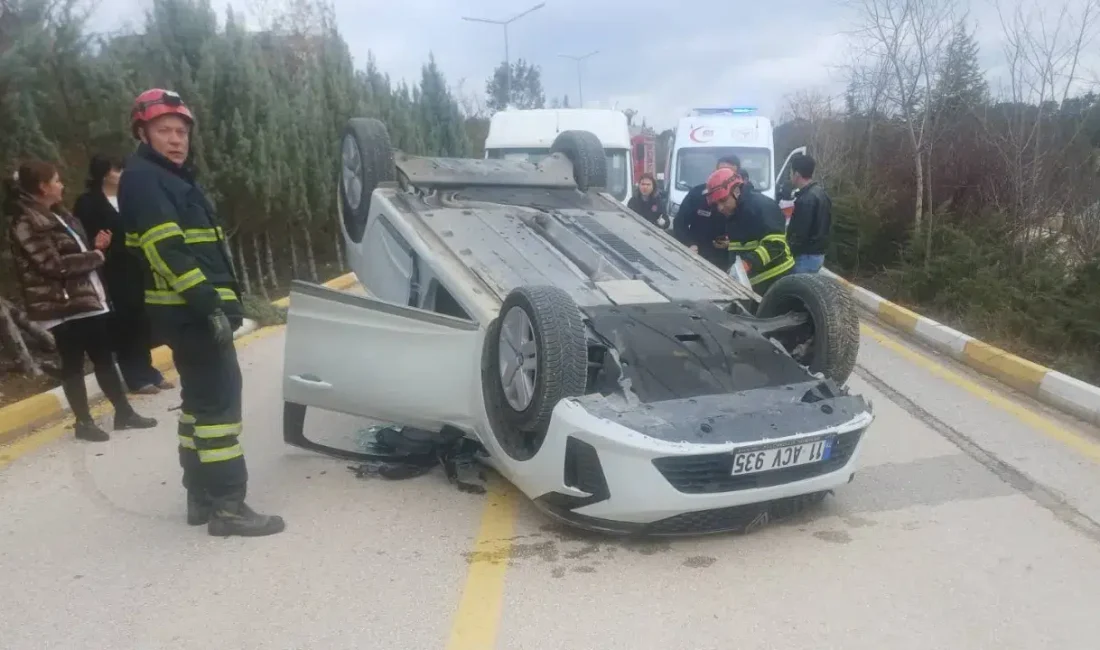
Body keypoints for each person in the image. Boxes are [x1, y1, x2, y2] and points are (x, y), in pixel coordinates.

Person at [118, 87, 284, 537]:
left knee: (197, 407)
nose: (176, 139)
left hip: (184, 313)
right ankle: (228, 506)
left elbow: (201, 251)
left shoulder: (169, 178)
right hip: (191, 313)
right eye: (164, 131)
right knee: (219, 410)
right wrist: (211, 305)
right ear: (142, 132)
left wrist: (235, 298)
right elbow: (166, 250)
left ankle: (200, 496)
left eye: (181, 131)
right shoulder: (146, 179)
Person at [4, 161, 158, 442]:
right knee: (73, 363)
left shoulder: (59, 215)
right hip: (61, 305)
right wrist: (96, 256)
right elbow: (51, 265)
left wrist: (95, 247)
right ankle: (83, 422)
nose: (62, 185)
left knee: (103, 358)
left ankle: (124, 413)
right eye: (56, 180)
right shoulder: (26, 222)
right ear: (42, 187)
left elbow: (73, 255)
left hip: (85, 298)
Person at [74, 154, 174, 395]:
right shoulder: (88, 203)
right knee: (125, 323)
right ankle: (134, 377)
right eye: (117, 169)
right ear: (104, 173)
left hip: (139, 265)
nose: (122, 173)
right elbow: (82, 237)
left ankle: (148, 370)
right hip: (112, 271)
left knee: (142, 320)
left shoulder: (127, 197)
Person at [704, 167, 794, 295]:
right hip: (752, 285)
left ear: (736, 191)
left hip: (776, 281)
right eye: (716, 203)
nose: (720, 208)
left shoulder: (762, 206)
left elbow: (775, 245)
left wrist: (747, 264)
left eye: (723, 200)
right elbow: (747, 241)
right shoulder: (734, 212)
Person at [672, 156, 742, 270]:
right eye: (720, 171)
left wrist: (732, 243)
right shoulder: (697, 194)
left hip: (727, 261)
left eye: (729, 174)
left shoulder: (741, 201)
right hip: (697, 256)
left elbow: (749, 234)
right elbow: (679, 223)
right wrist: (689, 244)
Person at [787, 153, 832, 274]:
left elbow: (800, 234)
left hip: (805, 256)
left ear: (797, 175)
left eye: (790, 172)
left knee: (795, 290)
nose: (790, 176)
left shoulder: (805, 200)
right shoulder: (822, 193)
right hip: (819, 254)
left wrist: (788, 250)